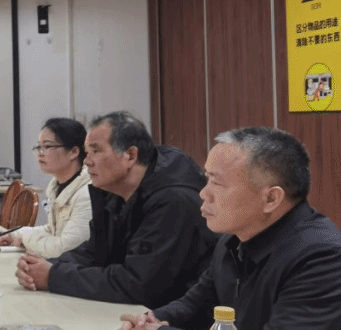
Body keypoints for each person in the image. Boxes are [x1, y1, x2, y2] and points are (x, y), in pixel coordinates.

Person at [114, 127, 341, 330]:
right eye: (206, 178)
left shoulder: (323, 257)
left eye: (217, 183)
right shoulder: (234, 239)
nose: (203, 193)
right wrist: (151, 321)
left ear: (271, 198)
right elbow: (197, 305)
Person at [16, 111, 217, 308]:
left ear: (130, 155)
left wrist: (54, 277)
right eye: (87, 152)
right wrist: (47, 267)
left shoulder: (174, 201)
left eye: (96, 151)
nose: (86, 161)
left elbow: (138, 284)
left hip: (178, 318)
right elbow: (94, 251)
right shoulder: (113, 188)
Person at [0, 117, 91, 257]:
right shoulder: (56, 187)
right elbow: (52, 230)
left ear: (73, 152)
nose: (40, 152)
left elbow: (63, 249)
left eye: (47, 146)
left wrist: (24, 240)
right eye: (39, 147)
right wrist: (14, 234)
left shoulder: (87, 194)